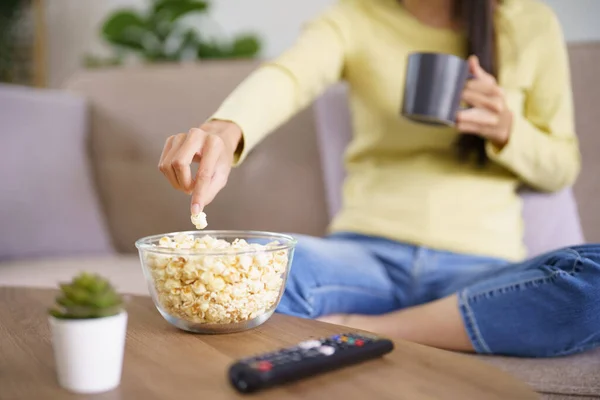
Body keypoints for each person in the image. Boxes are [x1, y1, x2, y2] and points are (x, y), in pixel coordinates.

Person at [157, 0, 600, 358]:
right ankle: (444, 328)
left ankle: (364, 331)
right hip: (362, 259)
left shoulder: (530, 22)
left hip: (478, 270)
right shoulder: (355, 17)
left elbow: (561, 167)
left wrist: (509, 130)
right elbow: (288, 77)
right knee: (239, 268)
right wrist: (226, 128)